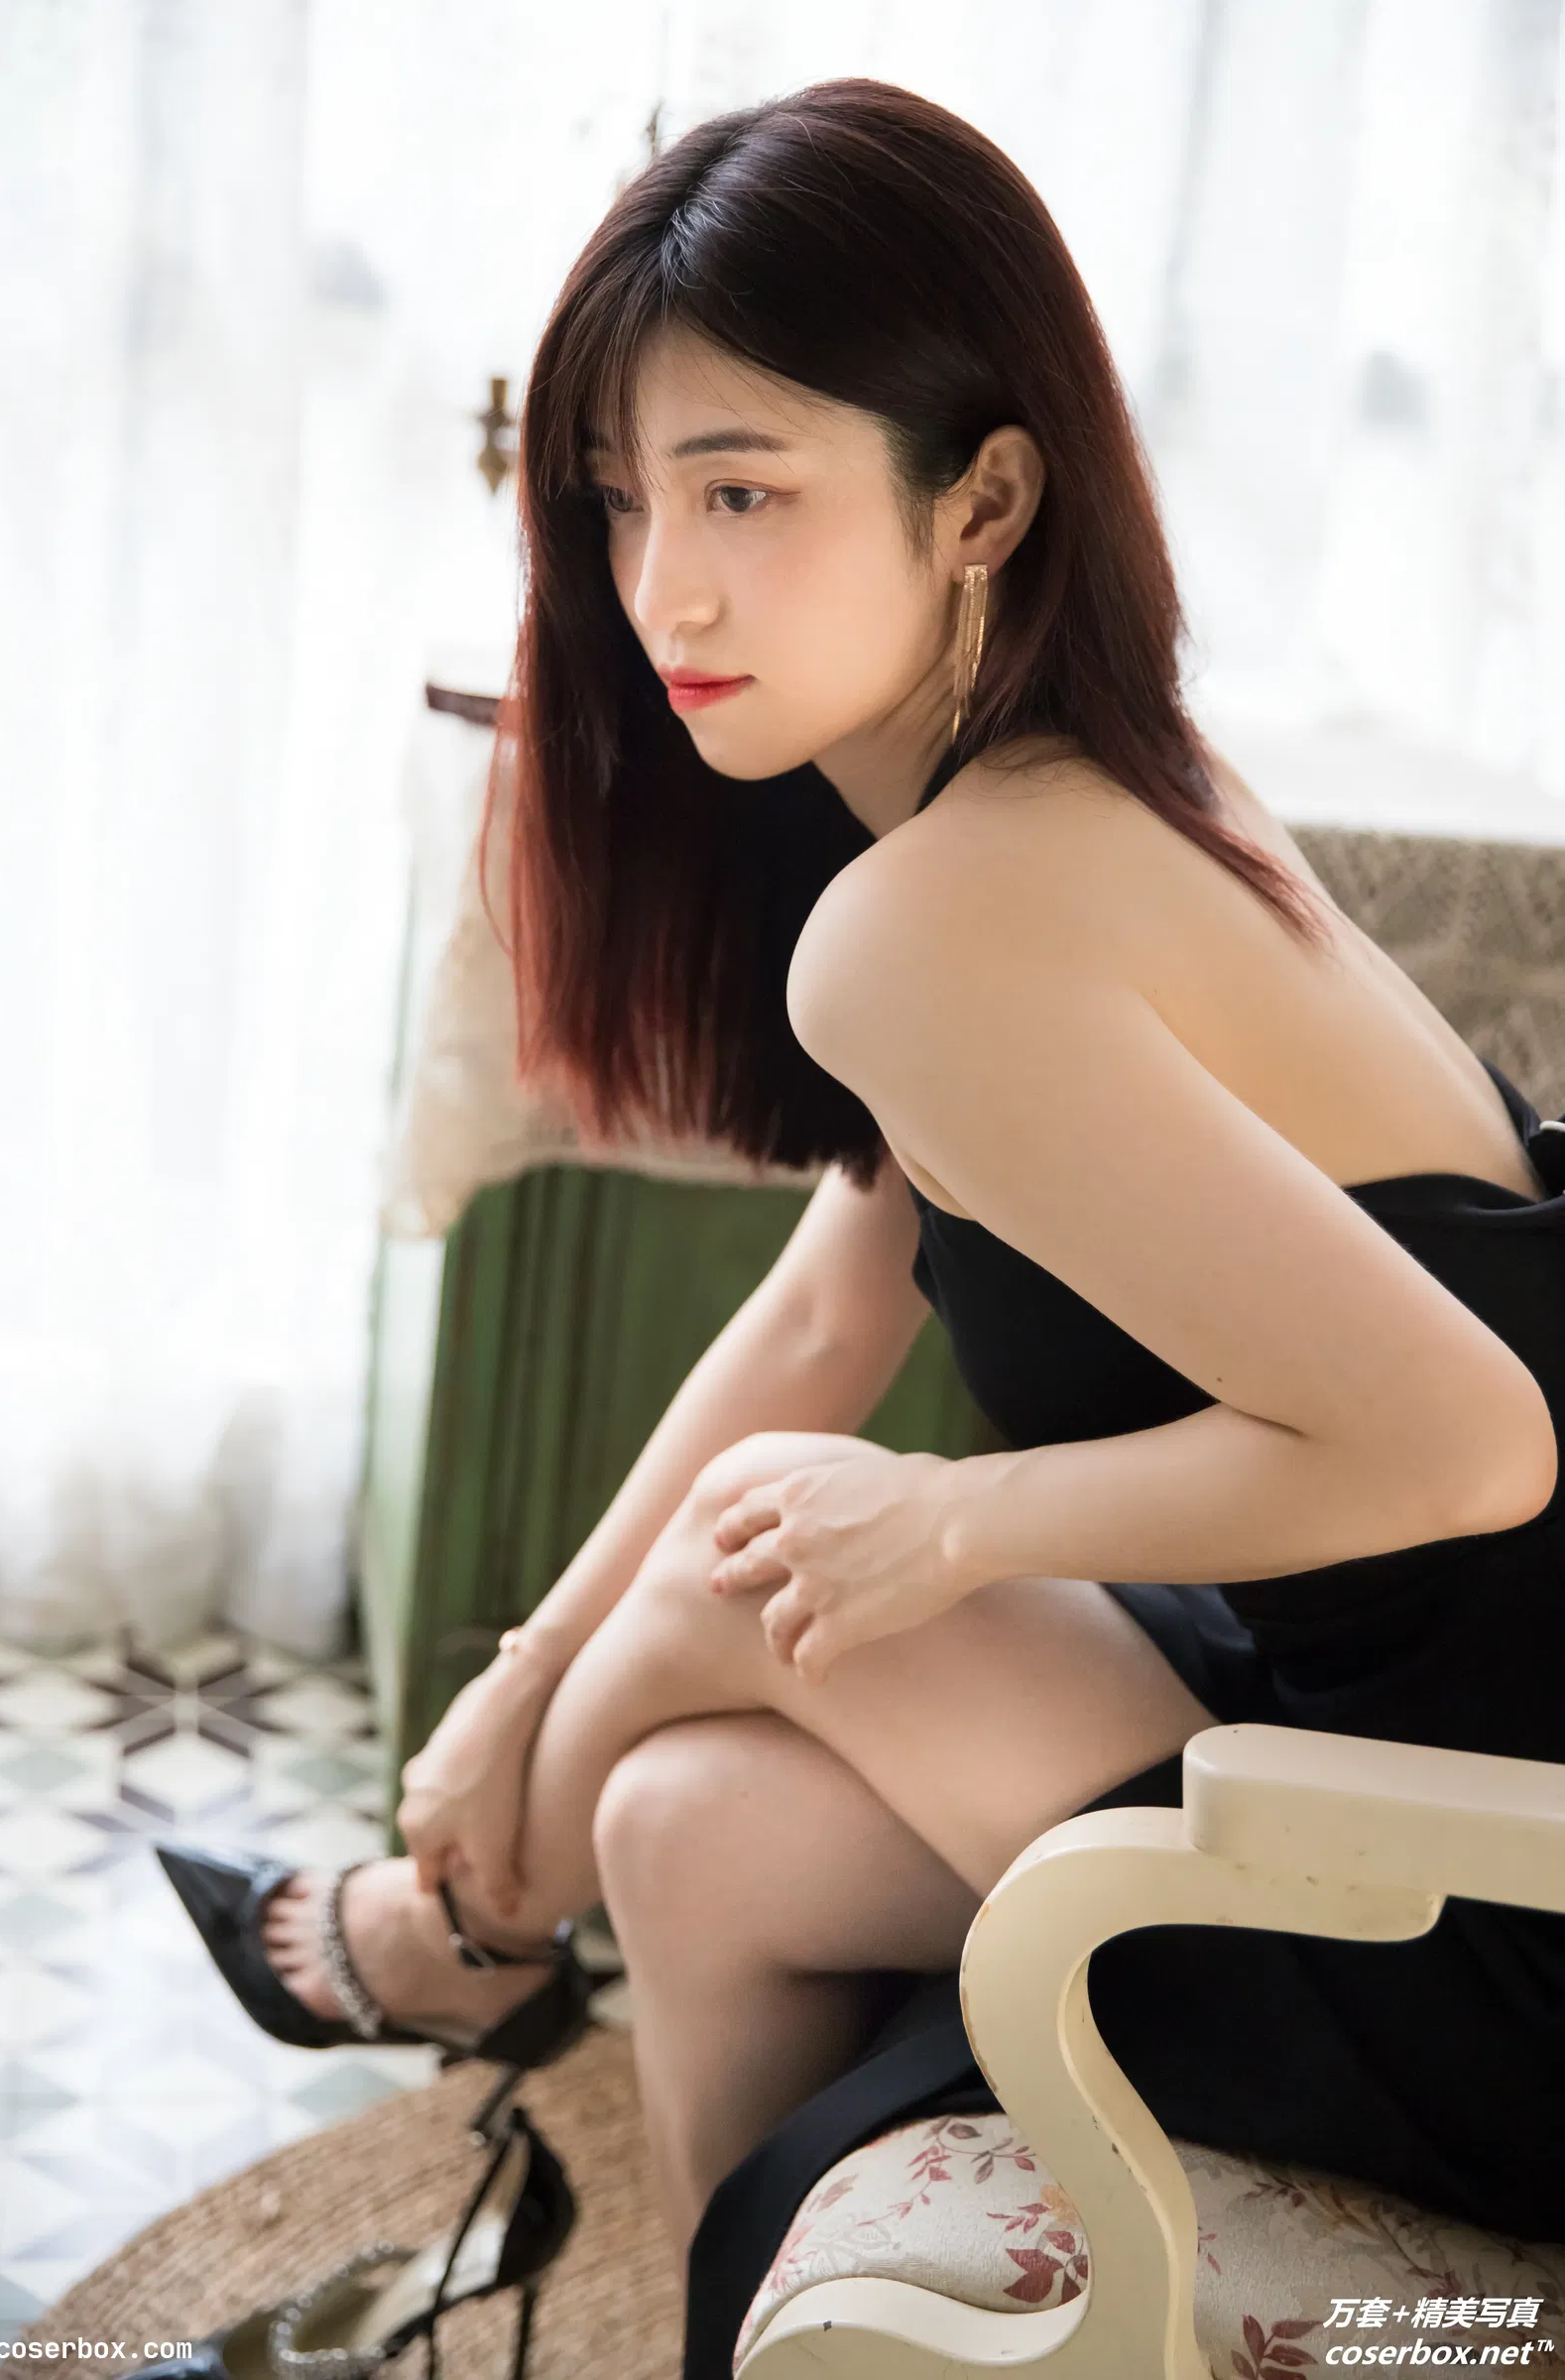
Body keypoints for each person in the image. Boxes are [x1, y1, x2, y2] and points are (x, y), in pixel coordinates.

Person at [165, 76, 1565, 2375]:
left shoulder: (949, 908)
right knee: (689, 1823)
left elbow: (1474, 1445)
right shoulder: (1052, 804)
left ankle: (447, 1945)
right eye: (620, 498)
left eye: (744, 491)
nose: (661, 588)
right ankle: (620, 2157)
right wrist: (523, 1673)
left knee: (773, 1549)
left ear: (981, 497)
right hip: (1381, 1725)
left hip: (1474, 1872)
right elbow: (828, 1305)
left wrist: (951, 1522)